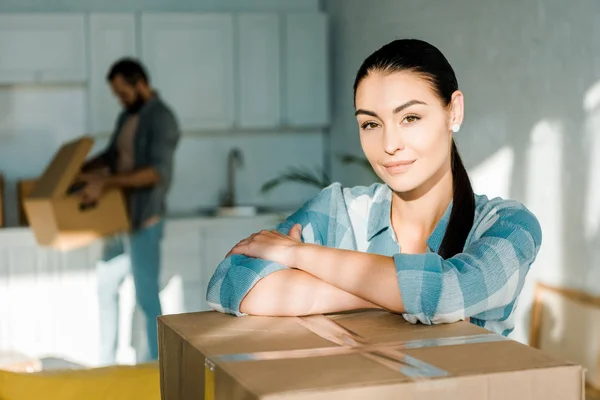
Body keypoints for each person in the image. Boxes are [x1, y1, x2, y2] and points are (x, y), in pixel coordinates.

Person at [206, 39, 542, 337]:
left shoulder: (508, 226)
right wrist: (387, 298)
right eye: (371, 124)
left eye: (410, 118)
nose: (389, 144)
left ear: (453, 111)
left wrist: (298, 255)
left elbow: (448, 293)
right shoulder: (338, 210)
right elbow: (229, 283)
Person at [80, 58, 180, 363]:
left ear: (140, 84)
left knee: (146, 296)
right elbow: (112, 156)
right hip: (118, 219)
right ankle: (105, 362)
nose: (120, 100)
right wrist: (77, 170)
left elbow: (155, 172)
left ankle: (155, 366)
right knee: (105, 286)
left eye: (123, 92)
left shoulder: (162, 118)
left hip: (144, 219)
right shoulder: (127, 117)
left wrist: (107, 183)